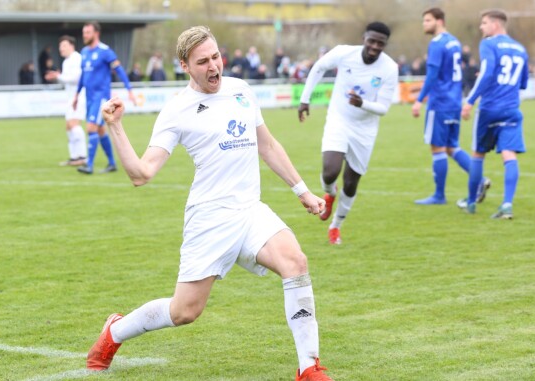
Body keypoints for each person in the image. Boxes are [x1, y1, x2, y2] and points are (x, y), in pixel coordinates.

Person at [85, 26, 334, 381]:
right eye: (203, 61)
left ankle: (309, 367)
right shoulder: (177, 110)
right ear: (185, 65)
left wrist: (303, 191)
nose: (214, 66)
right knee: (185, 311)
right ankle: (115, 331)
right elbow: (142, 173)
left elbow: (268, 146)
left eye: (216, 56)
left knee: (296, 262)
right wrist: (116, 126)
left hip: (250, 210)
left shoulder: (241, 90)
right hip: (210, 219)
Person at [298, 21, 398, 245]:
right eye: (371, 41)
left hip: (365, 130)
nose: (374, 46)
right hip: (339, 120)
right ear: (364, 37)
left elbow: (383, 108)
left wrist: (362, 103)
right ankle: (330, 194)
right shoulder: (344, 53)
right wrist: (305, 99)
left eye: (380, 44)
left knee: (351, 183)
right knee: (329, 172)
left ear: (385, 45)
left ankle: (335, 227)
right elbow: (318, 68)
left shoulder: (389, 68)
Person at [411, 8, 490, 206]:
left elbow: (432, 75)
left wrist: (419, 100)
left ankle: (439, 195)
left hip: (439, 102)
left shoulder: (437, 44)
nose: (424, 24)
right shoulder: (454, 41)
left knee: (437, 148)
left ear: (439, 21)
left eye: (427, 20)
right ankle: (479, 179)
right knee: (451, 146)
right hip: (455, 101)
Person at [459, 9, 529, 219]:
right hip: (511, 109)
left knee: (478, 154)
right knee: (509, 155)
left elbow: (488, 73)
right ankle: (507, 205)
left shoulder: (489, 44)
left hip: (489, 109)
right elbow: (523, 83)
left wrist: (469, 101)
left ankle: (471, 202)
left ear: (495, 25)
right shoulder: (520, 48)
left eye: (484, 23)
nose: (481, 27)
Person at [73, 21, 137, 175]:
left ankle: (89, 165)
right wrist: (76, 94)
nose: (85, 35)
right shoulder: (84, 52)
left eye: (87, 32)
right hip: (89, 97)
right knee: (101, 130)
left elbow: (119, 70)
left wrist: (129, 89)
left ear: (96, 33)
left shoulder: (105, 51)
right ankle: (112, 163)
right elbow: (83, 76)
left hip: (100, 97)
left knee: (91, 128)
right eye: (84, 32)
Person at [44, 35, 87, 166]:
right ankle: (74, 157)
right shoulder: (66, 62)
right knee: (68, 126)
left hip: (79, 96)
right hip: (70, 97)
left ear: (71, 46)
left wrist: (59, 76)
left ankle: (83, 156)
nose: (61, 49)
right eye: (60, 46)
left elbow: (77, 78)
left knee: (74, 124)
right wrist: (57, 77)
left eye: (64, 46)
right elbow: (66, 80)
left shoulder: (77, 58)